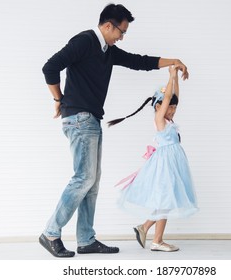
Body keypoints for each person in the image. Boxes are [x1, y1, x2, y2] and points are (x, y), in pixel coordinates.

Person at [39, 3, 189, 258]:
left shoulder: (107, 50)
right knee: (83, 179)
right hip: (79, 118)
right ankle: (51, 232)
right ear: (108, 25)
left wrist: (171, 62)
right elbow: (50, 67)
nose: (122, 36)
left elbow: (138, 62)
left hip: (91, 119)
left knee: (92, 182)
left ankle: (86, 239)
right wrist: (58, 99)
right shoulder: (84, 41)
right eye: (121, 31)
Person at [108, 66, 198, 252]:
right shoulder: (160, 119)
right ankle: (152, 235)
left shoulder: (169, 119)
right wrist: (171, 76)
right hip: (165, 165)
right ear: (158, 106)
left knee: (166, 199)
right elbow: (167, 98)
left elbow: (175, 97)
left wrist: (175, 80)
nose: (172, 110)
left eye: (174, 108)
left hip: (173, 163)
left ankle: (151, 234)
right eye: (169, 107)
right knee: (165, 199)